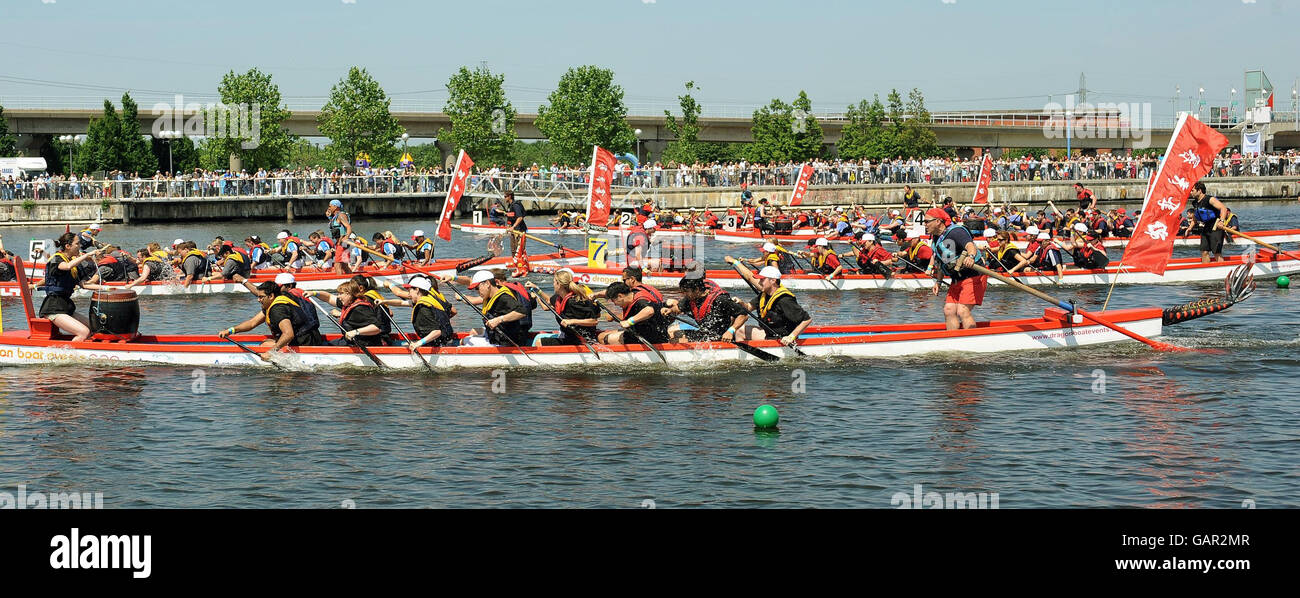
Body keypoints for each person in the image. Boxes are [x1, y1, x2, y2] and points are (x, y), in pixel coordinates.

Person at [39, 232, 110, 342]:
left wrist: (106, 288)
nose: (80, 246)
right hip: (53, 308)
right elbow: (67, 266)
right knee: (84, 332)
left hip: (66, 306)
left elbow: (84, 285)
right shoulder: (56, 259)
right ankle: (69, 357)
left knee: (94, 328)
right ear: (68, 246)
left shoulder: (74, 264)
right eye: (77, 244)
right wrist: (87, 255)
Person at [723, 259, 811, 347]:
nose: (759, 282)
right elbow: (748, 307)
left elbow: (807, 319)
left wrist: (791, 337)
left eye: (762, 280)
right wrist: (741, 303)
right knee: (739, 330)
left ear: (773, 280)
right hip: (769, 334)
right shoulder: (764, 295)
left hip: (783, 340)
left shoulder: (784, 299)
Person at [218, 281, 324, 354]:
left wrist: (271, 352)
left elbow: (288, 334)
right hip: (313, 338)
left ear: (271, 296)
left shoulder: (278, 309)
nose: (258, 300)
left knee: (264, 346)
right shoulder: (280, 299)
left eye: (261, 297)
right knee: (266, 341)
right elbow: (252, 323)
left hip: (305, 343)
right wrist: (230, 330)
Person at [924, 207, 986, 330]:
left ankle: (972, 340)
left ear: (938, 221)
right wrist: (939, 281)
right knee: (949, 310)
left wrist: (971, 256)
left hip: (973, 276)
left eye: (927, 221)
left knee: (962, 311)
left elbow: (970, 245)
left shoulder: (956, 232)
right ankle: (952, 338)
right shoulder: (936, 238)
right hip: (957, 279)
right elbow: (942, 262)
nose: (924, 225)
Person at [524, 269, 601, 347]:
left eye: (554, 282)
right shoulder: (558, 298)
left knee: (539, 342)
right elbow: (547, 303)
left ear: (559, 284)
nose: (553, 284)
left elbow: (594, 321)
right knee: (538, 338)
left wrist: (572, 321)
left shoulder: (574, 301)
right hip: (569, 337)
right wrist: (536, 290)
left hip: (582, 339)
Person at [662, 276, 749, 343]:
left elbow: (744, 315)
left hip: (719, 337)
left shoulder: (720, 299)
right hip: (704, 334)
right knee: (673, 334)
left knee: (676, 341)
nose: (684, 294)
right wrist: (670, 310)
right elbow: (678, 308)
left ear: (697, 289)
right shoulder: (691, 298)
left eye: (686, 291)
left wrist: (731, 331)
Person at [384, 275, 458, 350]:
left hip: (439, 346)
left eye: (409, 290)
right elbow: (401, 303)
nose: (409, 294)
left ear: (417, 289)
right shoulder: (430, 299)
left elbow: (437, 332)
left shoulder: (423, 308)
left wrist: (418, 343)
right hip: (446, 342)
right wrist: (384, 301)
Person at [309, 280, 386, 347]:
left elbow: (376, 328)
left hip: (364, 344)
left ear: (349, 294)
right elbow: (328, 297)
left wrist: (356, 332)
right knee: (323, 344)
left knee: (323, 346)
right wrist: (314, 293)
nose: (338, 296)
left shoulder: (360, 308)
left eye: (340, 293)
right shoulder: (348, 303)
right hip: (350, 341)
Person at [598, 281, 672, 346]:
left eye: (613, 300)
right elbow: (608, 292)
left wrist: (629, 321)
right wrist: (596, 295)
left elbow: (649, 311)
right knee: (602, 334)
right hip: (643, 331)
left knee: (603, 338)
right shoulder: (633, 292)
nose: (614, 304)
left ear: (620, 296)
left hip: (648, 338)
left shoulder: (641, 302)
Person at [1189, 182, 1232, 263]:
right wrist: (1190, 228)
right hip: (1206, 228)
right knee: (1204, 251)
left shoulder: (1210, 199)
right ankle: (1205, 271)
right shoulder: (1195, 203)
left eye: (1192, 190)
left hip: (1216, 227)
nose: (1191, 193)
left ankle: (1222, 270)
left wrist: (1221, 221)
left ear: (1199, 191)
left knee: (1216, 253)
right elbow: (1195, 216)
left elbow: (1223, 208)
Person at [504, 190, 528, 255]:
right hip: (513, 230)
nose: (504, 198)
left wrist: (513, 226)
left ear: (510, 196)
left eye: (505, 196)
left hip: (520, 230)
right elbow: (510, 218)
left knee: (519, 249)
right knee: (513, 249)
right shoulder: (509, 206)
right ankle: (514, 262)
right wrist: (508, 227)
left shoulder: (516, 205)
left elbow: (520, 217)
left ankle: (521, 262)